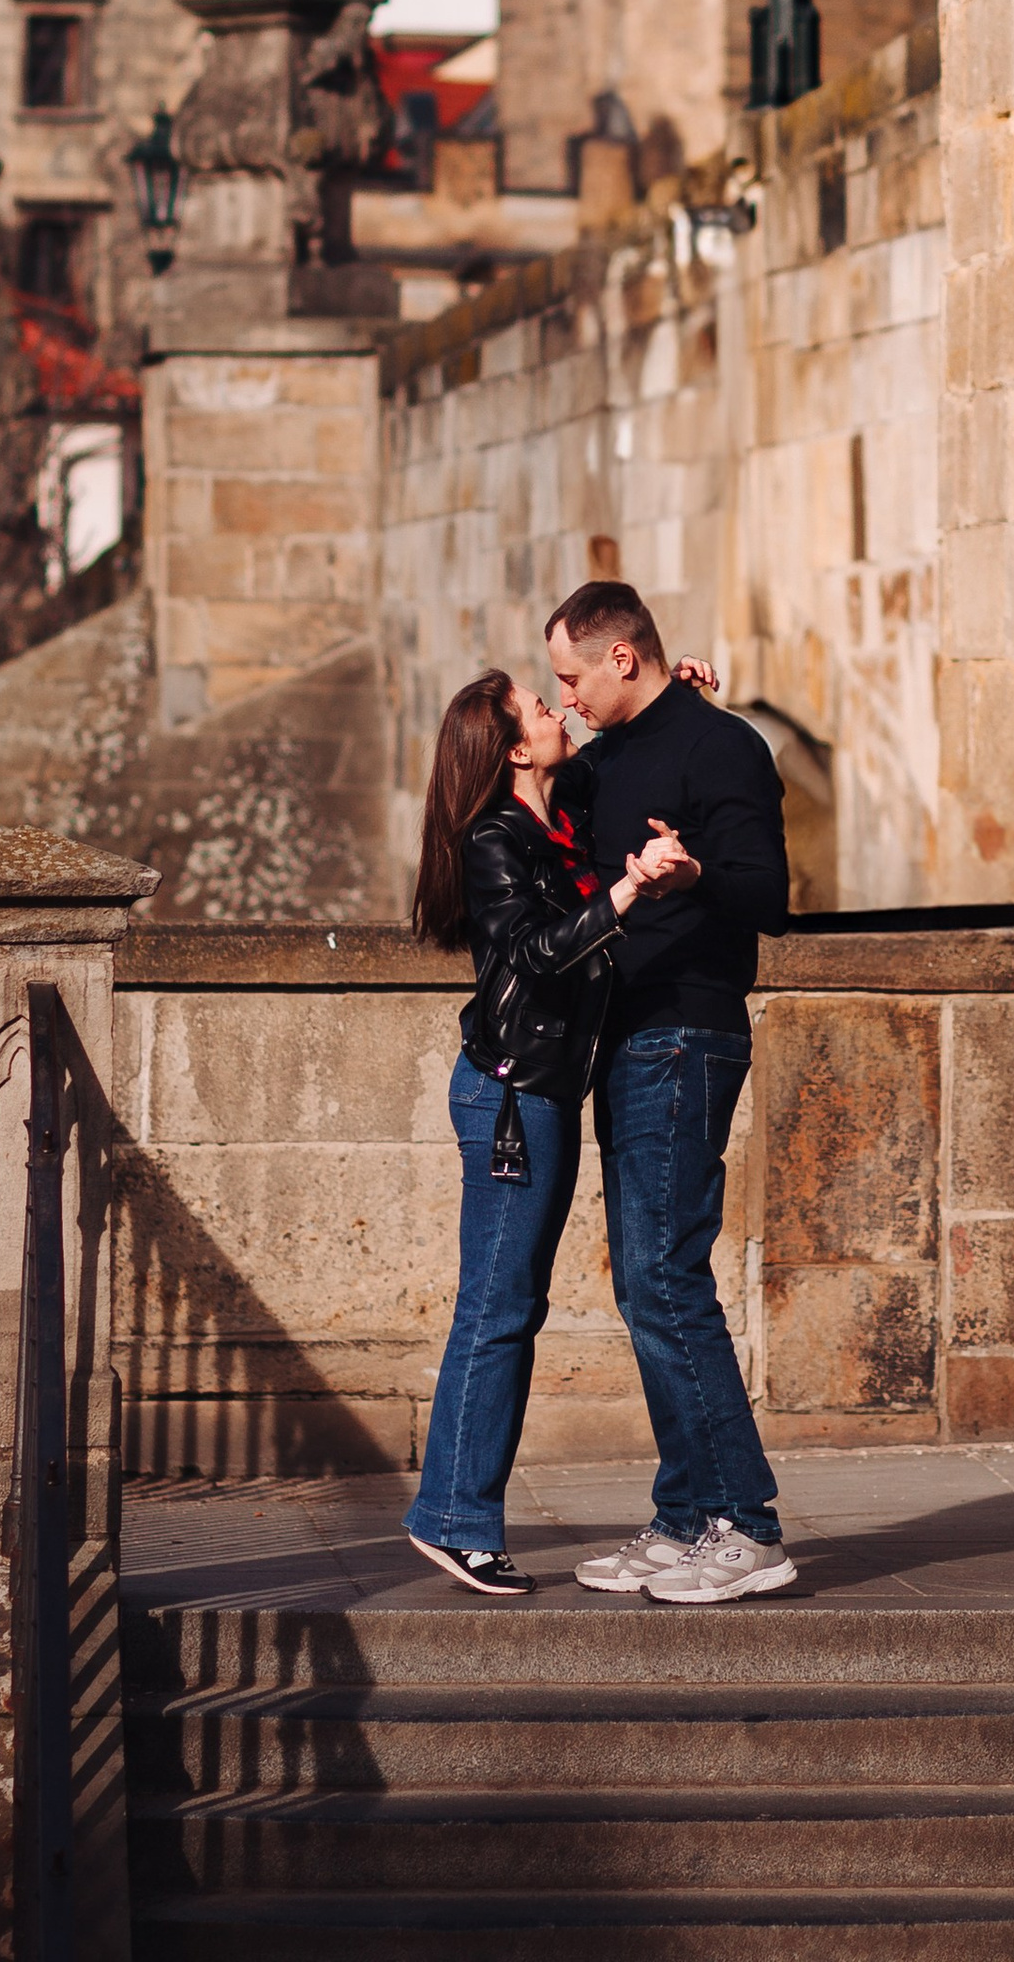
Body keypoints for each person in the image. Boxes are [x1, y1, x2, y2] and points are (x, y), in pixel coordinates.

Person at [404, 665, 695, 1594]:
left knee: (511, 1310)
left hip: (544, 1091)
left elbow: (623, 737)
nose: (558, 708)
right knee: (496, 1312)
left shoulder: (556, 818)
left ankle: (458, 1511)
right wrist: (625, 894)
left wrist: (674, 690)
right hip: (511, 1099)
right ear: (514, 750)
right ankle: (453, 1518)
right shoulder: (496, 838)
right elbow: (532, 951)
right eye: (540, 707)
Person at [546, 577, 798, 1607]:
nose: (562, 698)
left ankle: (746, 1526)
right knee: (645, 1283)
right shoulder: (605, 759)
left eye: (570, 677)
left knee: (667, 1278)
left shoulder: (722, 747)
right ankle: (687, 1516)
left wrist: (692, 879)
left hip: (687, 1035)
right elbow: (541, 799)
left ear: (619, 655)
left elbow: (770, 897)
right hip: (626, 1037)